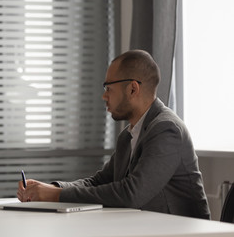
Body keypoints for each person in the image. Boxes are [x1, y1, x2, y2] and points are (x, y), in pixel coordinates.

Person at [17, 50, 210, 219]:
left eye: (108, 88)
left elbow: (131, 194)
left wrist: (54, 196)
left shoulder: (166, 129)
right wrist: (54, 188)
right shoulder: (129, 135)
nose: (104, 96)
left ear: (133, 88)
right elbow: (99, 181)